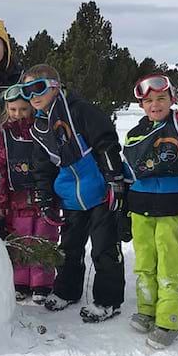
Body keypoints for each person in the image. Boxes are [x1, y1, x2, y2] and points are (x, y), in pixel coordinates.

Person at [24, 64, 125, 322]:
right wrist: (45, 197)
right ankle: (67, 290)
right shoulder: (39, 127)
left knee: (103, 249)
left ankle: (107, 300)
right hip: (71, 197)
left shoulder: (79, 110)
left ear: (55, 86)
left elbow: (106, 141)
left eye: (38, 88)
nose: (32, 95)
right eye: (26, 91)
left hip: (101, 193)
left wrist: (114, 180)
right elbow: (42, 167)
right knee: (68, 248)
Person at [120, 74, 178, 349]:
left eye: (161, 99)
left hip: (172, 211)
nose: (155, 104)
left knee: (170, 267)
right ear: (141, 105)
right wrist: (122, 212)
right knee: (145, 264)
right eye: (148, 101)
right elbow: (127, 176)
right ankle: (147, 310)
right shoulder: (134, 134)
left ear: (172, 100)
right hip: (140, 211)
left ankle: (169, 320)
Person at [0, 84, 59, 304]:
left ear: (31, 107)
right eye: (13, 110)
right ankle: (19, 279)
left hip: (41, 193)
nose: (17, 114)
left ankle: (42, 282)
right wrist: (1, 198)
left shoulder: (41, 128)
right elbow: (0, 166)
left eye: (22, 109)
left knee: (43, 235)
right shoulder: (4, 133)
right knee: (19, 236)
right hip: (16, 196)